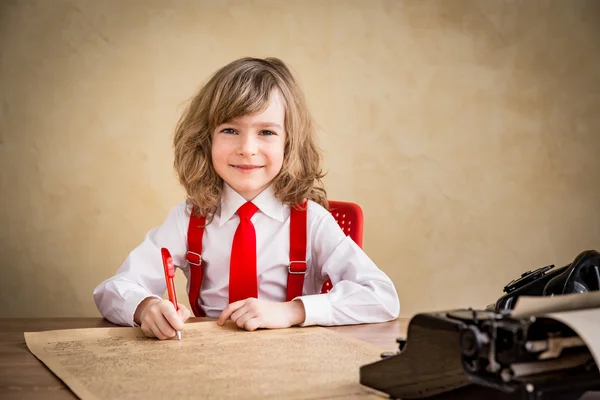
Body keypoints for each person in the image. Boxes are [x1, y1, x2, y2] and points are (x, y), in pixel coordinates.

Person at [93, 57, 400, 340]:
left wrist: (293, 311)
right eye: (230, 130)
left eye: (266, 132)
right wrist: (146, 307)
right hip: (207, 364)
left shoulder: (313, 222)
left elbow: (381, 297)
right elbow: (112, 290)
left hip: (293, 363)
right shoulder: (188, 218)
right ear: (205, 140)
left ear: (289, 143)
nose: (247, 148)